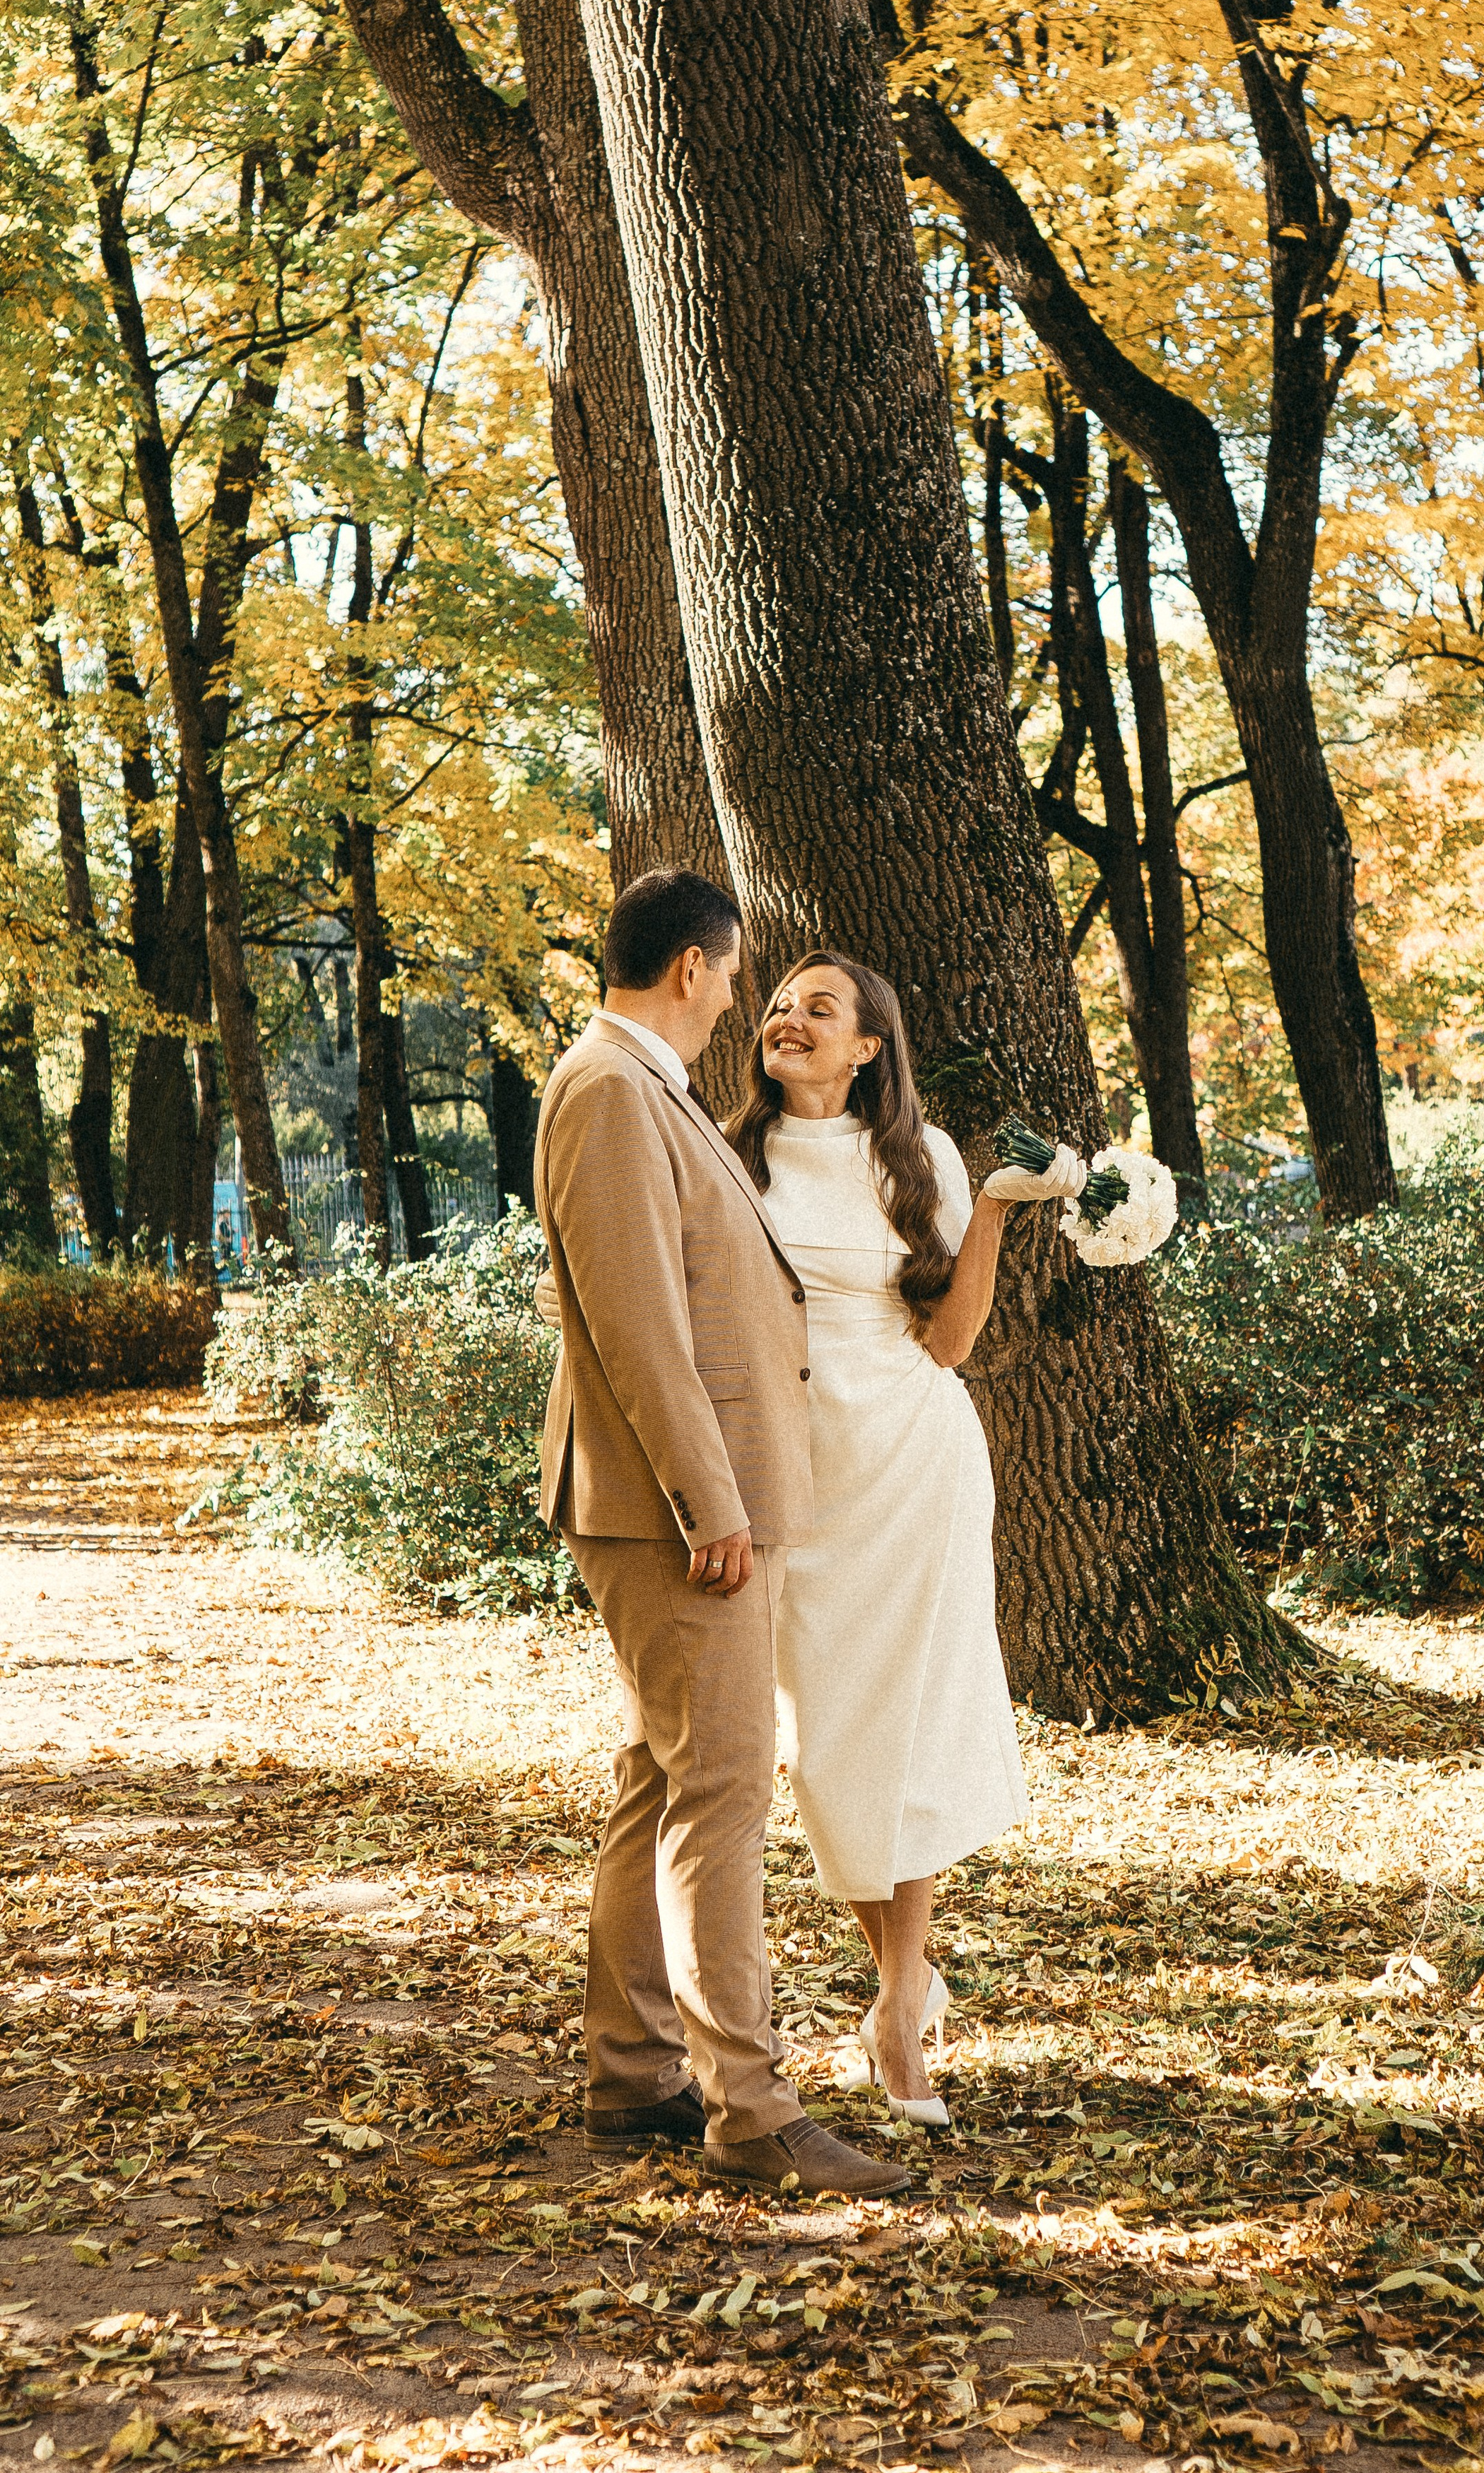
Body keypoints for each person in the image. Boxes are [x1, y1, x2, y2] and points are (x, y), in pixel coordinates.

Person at [533, 869, 909, 2201]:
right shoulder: (609, 1093)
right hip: (674, 1514)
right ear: (691, 967)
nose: (745, 992)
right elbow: (640, 1327)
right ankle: (749, 2109)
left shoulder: (647, 1090)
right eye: (738, 968)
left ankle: (633, 2073)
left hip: (684, 1505)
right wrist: (713, 1505)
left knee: (662, 1780)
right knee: (725, 1794)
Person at [726, 951, 1083, 2126]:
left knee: (907, 1734)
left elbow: (951, 1341)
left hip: (914, 1465)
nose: (788, 1018)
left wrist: (985, 1208)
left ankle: (893, 2014)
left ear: (867, 1046)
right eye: (779, 1004)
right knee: (822, 1750)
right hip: (793, 1476)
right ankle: (909, 1980)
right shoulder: (727, 1153)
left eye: (817, 1009)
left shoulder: (913, 1158)